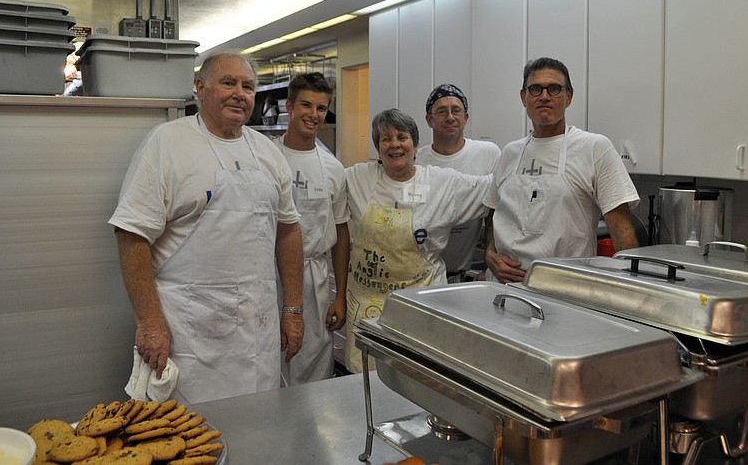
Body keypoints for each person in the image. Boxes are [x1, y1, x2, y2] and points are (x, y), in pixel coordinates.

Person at [109, 53, 305, 404]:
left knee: (258, 432)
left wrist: (292, 309)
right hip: (190, 335)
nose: (239, 94)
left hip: (257, 333)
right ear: (200, 88)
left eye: (247, 86)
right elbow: (132, 234)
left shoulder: (268, 152)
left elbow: (288, 231)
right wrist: (150, 322)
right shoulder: (167, 143)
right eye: (228, 83)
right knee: (193, 442)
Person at [345, 108, 490, 373]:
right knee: (364, 384)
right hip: (367, 308)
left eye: (402, 137)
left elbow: (496, 189)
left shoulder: (442, 182)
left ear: (415, 145)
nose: (395, 145)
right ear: (378, 148)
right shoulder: (357, 178)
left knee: (418, 378)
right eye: (386, 139)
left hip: (421, 304)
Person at [484, 57, 639, 283]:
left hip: (563, 292)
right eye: (535, 89)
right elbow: (494, 216)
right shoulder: (510, 153)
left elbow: (621, 229)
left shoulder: (594, 148)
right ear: (523, 97)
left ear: (569, 97)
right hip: (502, 290)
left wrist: (630, 288)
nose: (544, 96)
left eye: (554, 89)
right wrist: (490, 255)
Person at [273, 72, 350, 385]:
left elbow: (341, 236)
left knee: (313, 362)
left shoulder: (332, 168)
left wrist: (340, 294)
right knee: (270, 360)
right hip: (270, 277)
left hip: (314, 281)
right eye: (306, 105)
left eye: (321, 108)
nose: (313, 114)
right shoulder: (266, 157)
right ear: (289, 106)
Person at [416, 84, 501, 282]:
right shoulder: (416, 161)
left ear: (466, 117)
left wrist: (490, 264)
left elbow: (495, 213)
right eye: (441, 111)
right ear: (430, 120)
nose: (450, 117)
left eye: (456, 110)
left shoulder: (487, 153)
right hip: (419, 276)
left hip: (461, 275)